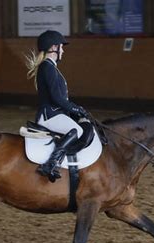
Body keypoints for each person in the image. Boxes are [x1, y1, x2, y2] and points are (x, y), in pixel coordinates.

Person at [26, 30, 93, 183]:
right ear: (53, 48)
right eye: (61, 47)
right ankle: (51, 164)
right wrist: (77, 109)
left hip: (55, 114)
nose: (63, 51)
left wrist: (76, 110)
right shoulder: (47, 67)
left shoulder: (51, 67)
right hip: (50, 115)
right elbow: (57, 98)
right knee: (76, 131)